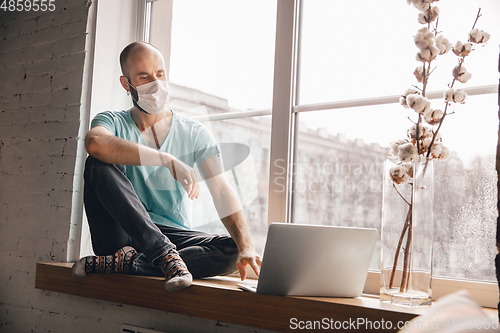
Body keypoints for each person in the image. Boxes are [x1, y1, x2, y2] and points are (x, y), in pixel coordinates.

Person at [72, 41, 262, 292]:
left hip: (171, 235)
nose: (156, 83)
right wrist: (165, 159)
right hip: (120, 235)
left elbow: (221, 190)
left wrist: (247, 246)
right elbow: (95, 143)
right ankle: (163, 257)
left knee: (230, 249)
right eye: (144, 77)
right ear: (126, 84)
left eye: (160, 74)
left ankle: (130, 264)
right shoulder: (112, 121)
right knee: (98, 161)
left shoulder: (194, 132)